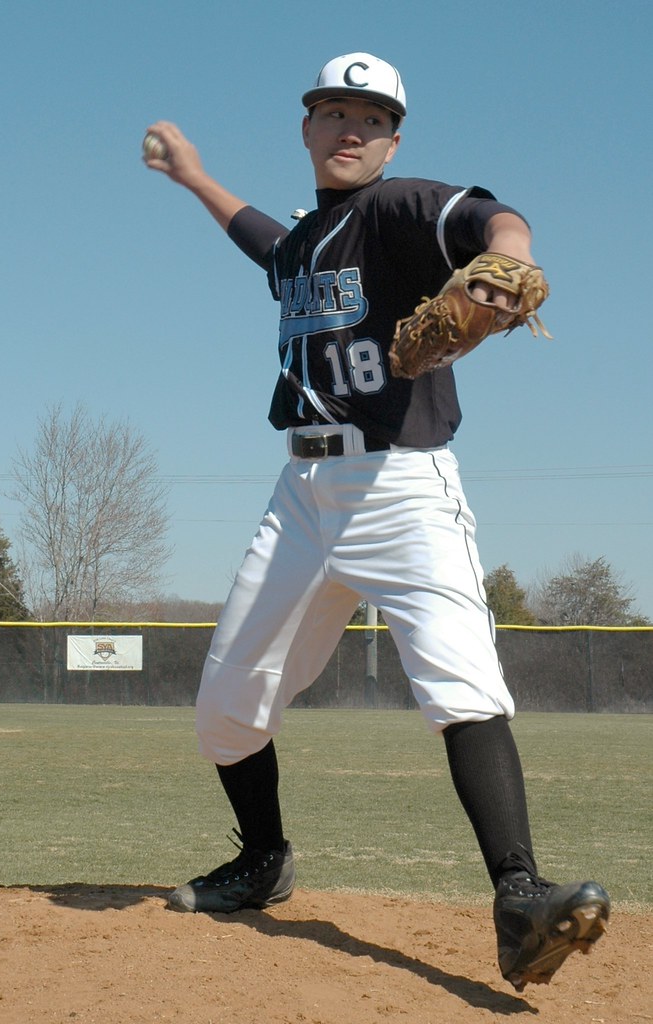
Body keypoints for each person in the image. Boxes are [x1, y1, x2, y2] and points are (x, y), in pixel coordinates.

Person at [144, 53, 609, 991]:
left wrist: (508, 262)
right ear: (307, 129)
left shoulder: (400, 208)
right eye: (332, 112)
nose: (350, 128)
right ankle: (262, 860)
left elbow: (491, 217)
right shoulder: (303, 245)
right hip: (300, 500)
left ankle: (518, 897)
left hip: (401, 487)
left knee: (460, 684)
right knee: (226, 710)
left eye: (371, 117)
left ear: (392, 140)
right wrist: (193, 176)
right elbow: (260, 236)